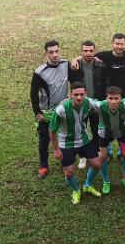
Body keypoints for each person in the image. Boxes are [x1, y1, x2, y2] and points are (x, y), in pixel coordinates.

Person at [49, 82, 102, 204]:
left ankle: (87, 185)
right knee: (69, 172)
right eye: (76, 94)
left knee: (97, 164)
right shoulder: (61, 109)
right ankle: (76, 190)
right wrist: (56, 149)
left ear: (86, 94)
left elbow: (103, 104)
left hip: (84, 139)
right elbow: (52, 131)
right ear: (70, 94)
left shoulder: (88, 102)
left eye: (81, 94)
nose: (79, 97)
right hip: (65, 143)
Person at [30, 40, 74, 179]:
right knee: (44, 139)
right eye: (51, 52)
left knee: (64, 138)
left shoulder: (66, 65)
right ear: (46, 54)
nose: (55, 55)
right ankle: (43, 165)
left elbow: (75, 81)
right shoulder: (40, 72)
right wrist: (37, 112)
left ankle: (64, 162)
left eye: (57, 51)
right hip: (47, 113)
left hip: (62, 111)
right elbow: (33, 93)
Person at [70, 40, 110, 168]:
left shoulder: (101, 66)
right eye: (85, 51)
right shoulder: (75, 67)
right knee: (80, 130)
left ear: (94, 51)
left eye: (91, 51)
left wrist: (104, 102)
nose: (88, 53)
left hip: (95, 105)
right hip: (80, 105)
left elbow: (106, 84)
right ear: (81, 52)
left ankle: (96, 152)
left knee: (96, 129)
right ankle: (82, 156)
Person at [95, 86, 125, 195]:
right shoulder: (100, 105)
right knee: (103, 157)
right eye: (110, 98)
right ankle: (106, 181)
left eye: (116, 98)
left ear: (120, 98)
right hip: (104, 133)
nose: (113, 101)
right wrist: (69, 99)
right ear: (105, 98)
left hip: (122, 132)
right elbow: (86, 100)